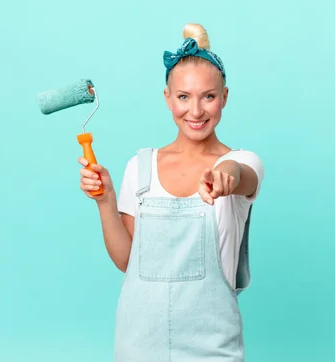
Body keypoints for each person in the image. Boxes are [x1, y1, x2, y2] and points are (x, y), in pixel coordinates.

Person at [78, 23, 264, 362]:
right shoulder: (141, 167)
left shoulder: (240, 162)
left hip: (213, 347)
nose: (195, 111)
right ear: (168, 98)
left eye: (208, 96)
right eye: (183, 97)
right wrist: (105, 200)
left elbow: (242, 175)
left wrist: (227, 176)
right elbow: (126, 260)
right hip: (138, 345)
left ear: (224, 97)